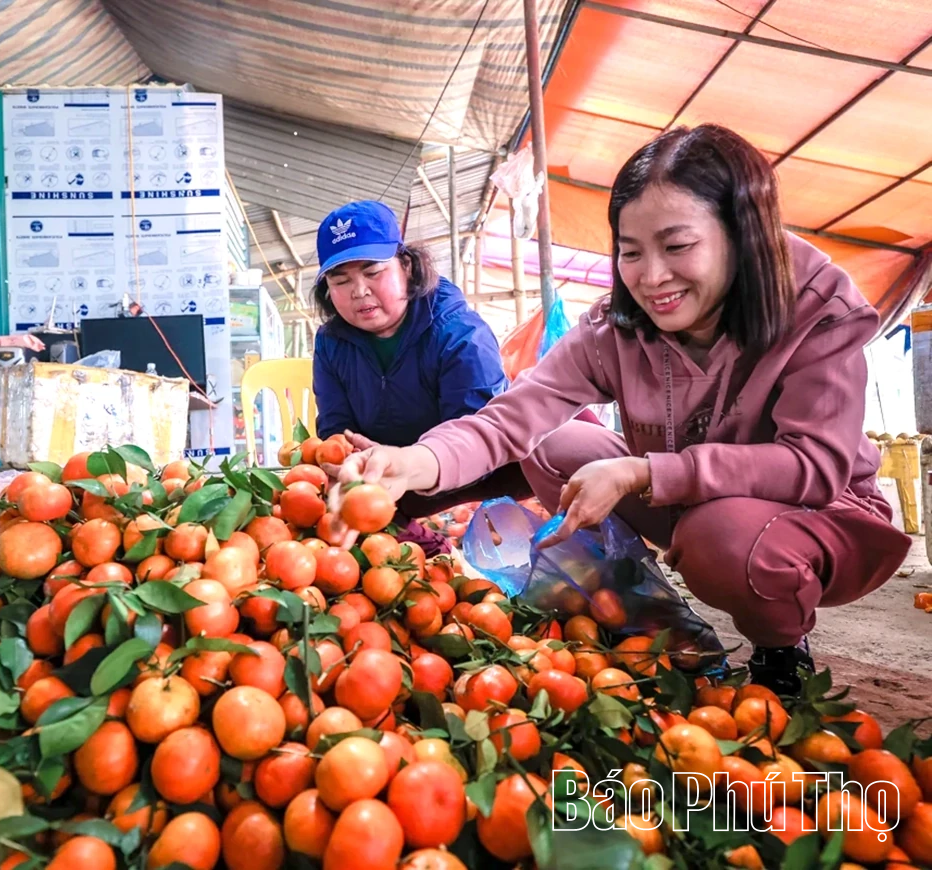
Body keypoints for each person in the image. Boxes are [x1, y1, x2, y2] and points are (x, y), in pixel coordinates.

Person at [330, 125, 912, 695]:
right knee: (553, 445)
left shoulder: (815, 310)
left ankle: (781, 648)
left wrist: (646, 472)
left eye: (678, 246)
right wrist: (413, 462)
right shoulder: (618, 325)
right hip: (689, 498)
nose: (652, 277)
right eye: (631, 252)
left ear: (743, 234)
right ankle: (645, 604)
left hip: (823, 512)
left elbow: (815, 465)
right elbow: (508, 420)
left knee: (722, 538)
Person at [310, 200, 533, 554]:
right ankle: (425, 547)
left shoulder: (460, 335)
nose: (359, 291)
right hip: (386, 485)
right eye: (341, 280)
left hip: (472, 479)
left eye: (372, 272)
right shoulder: (331, 344)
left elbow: (476, 442)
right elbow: (336, 431)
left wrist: (407, 463)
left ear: (407, 267)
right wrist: (351, 464)